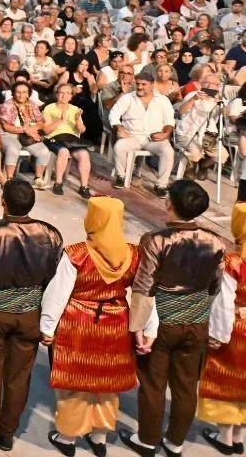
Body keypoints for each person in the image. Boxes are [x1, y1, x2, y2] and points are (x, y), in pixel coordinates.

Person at [123, 180, 234, 457]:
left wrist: (139, 328)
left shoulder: (155, 240)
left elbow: (144, 287)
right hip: (197, 324)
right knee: (186, 386)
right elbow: (215, 287)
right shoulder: (216, 241)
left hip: (161, 325)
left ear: (169, 203)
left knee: (153, 384)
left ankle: (147, 440)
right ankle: (175, 443)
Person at [0, 179, 64, 452]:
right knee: (19, 376)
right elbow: (54, 283)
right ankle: (7, 434)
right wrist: (48, 322)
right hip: (30, 314)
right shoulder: (51, 235)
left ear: (3, 202)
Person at [40, 196, 142, 455]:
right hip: (117, 323)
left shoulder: (77, 254)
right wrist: (145, 328)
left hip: (78, 323)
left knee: (76, 385)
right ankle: (99, 438)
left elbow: (57, 294)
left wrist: (47, 326)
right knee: (107, 385)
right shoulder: (132, 254)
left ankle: (67, 438)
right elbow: (143, 293)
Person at [197, 202, 246, 454]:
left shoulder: (233, 262)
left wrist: (217, 334)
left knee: (226, 379)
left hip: (237, 327)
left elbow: (224, 302)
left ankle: (225, 437)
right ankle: (239, 437)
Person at [109, 67, 175, 196]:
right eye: (138, 84)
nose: (139, 87)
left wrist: (166, 133)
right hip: (132, 136)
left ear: (152, 85)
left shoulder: (163, 100)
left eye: (143, 84)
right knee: (119, 146)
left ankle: (161, 185)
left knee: (168, 151)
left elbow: (170, 121)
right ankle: (121, 176)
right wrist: (119, 128)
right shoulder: (128, 98)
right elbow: (114, 114)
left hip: (154, 138)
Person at [43, 83, 94, 198]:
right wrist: (60, 120)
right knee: (64, 152)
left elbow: (82, 130)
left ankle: (84, 187)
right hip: (54, 137)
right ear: (57, 94)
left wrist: (77, 119)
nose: (64, 95)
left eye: (67, 93)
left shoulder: (75, 109)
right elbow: (46, 130)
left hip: (71, 139)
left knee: (84, 154)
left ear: (71, 96)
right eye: (61, 93)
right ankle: (58, 183)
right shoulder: (49, 108)